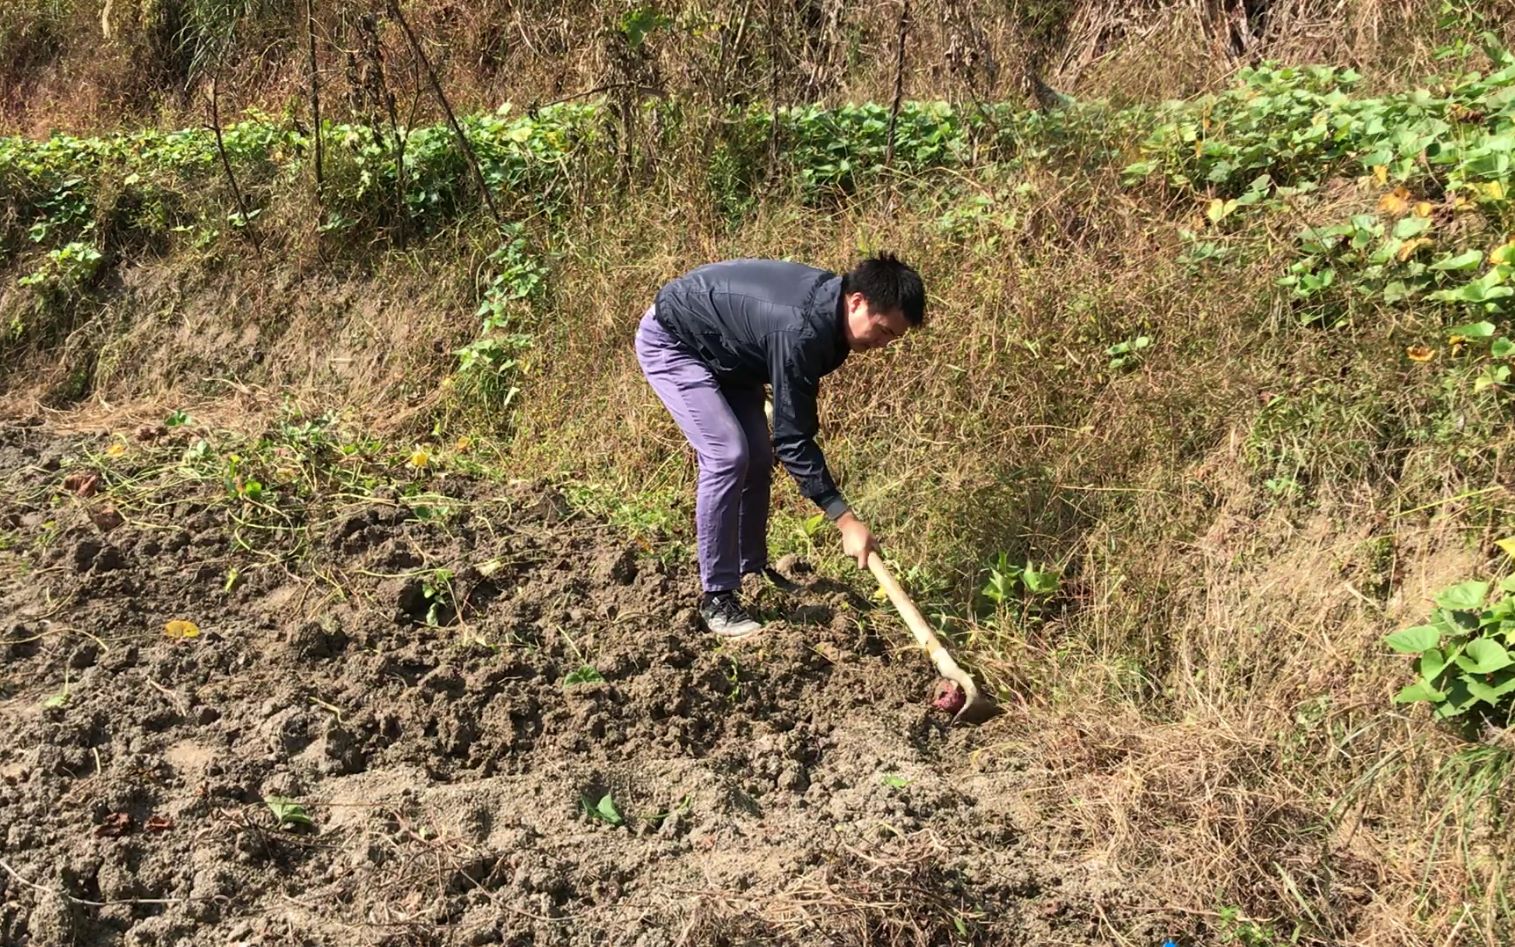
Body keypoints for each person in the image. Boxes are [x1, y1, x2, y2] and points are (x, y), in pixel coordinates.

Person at [634, 252, 926, 638]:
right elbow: (793, 439)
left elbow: (789, 427)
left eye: (894, 337)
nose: (885, 343)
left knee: (756, 456)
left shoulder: (831, 319)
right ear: (857, 301)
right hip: (676, 340)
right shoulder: (802, 329)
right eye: (884, 330)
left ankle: (750, 569)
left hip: (731, 354)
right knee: (728, 455)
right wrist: (845, 519)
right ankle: (717, 596)